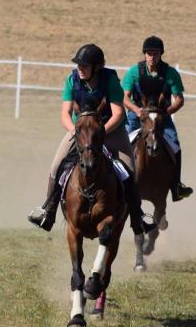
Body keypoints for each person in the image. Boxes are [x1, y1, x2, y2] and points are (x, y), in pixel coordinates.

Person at [27, 44, 156, 234]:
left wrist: (100, 133)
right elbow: (65, 113)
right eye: (79, 65)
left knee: (129, 169)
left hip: (111, 130)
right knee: (56, 166)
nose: (80, 68)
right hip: (80, 131)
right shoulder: (71, 80)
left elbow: (118, 114)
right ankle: (48, 211)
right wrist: (75, 131)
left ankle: (138, 219)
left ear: (96, 67)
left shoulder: (110, 81)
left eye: (84, 65)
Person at [121, 35, 193, 201]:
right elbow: (124, 97)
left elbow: (179, 99)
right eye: (149, 53)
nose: (152, 57)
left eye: (155, 53)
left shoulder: (170, 73)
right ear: (144, 54)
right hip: (137, 116)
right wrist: (137, 111)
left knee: (174, 143)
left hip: (161, 116)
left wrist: (167, 112)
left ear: (161, 54)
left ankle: (176, 185)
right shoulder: (133, 72)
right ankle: (118, 182)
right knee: (122, 143)